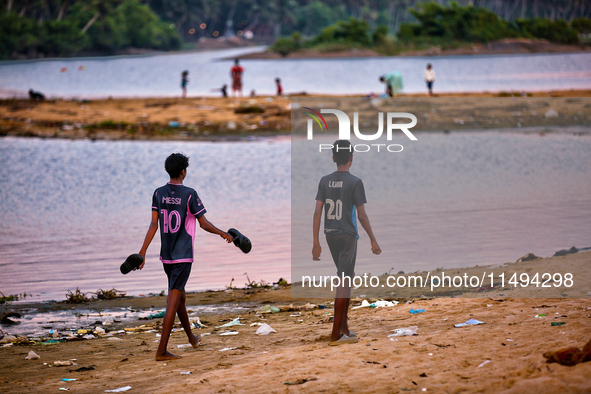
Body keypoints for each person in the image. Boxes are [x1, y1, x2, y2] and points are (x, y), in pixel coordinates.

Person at [138, 153, 233, 361]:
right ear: (183, 172)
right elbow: (203, 223)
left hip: (166, 255)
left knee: (180, 296)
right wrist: (223, 233)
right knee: (173, 299)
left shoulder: (158, 193)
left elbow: (153, 224)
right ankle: (161, 351)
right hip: (183, 256)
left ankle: (192, 338)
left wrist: (142, 252)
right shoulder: (190, 194)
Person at [312, 140, 381, 346]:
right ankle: (335, 334)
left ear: (333, 158)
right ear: (351, 158)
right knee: (344, 280)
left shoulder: (324, 181)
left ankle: (344, 328)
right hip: (347, 235)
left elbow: (318, 212)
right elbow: (361, 215)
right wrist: (373, 240)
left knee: (346, 277)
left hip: (329, 233)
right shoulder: (355, 182)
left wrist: (315, 242)